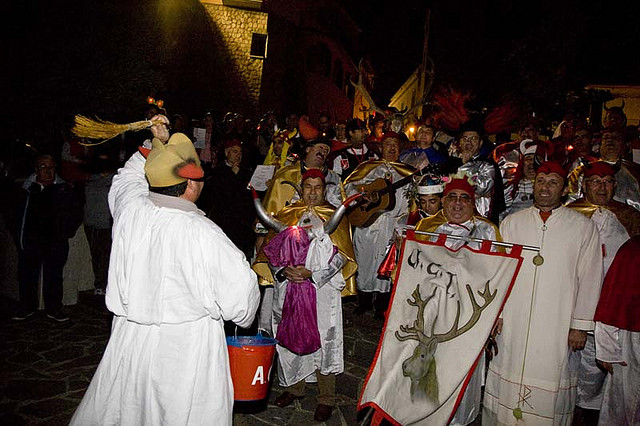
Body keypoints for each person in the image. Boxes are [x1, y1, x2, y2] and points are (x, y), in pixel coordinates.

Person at [70, 116, 260, 425]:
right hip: (186, 348)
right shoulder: (205, 234)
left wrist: (155, 144)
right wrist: (245, 314)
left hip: (132, 339)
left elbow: (127, 179)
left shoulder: (131, 210)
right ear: (191, 184)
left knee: (129, 412)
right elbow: (241, 300)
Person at [484, 161, 603, 425]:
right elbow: (498, 272)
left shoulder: (582, 227)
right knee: (509, 371)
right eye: (540, 181)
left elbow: (591, 277)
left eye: (553, 182)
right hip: (514, 318)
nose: (545, 188)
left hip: (558, 321)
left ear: (564, 189)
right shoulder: (512, 223)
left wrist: (580, 326)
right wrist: (497, 313)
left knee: (551, 376)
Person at [252, 169, 357, 422]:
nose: (312, 192)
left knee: (325, 339)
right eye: (308, 186)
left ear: (324, 189)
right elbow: (271, 251)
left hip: (322, 293)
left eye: (317, 187)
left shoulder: (334, 215)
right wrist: (284, 271)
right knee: (289, 335)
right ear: (301, 189)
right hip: (288, 289)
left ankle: (326, 397)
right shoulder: (287, 214)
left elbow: (343, 256)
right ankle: (294, 387)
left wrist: (313, 274)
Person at [413, 172, 502, 426]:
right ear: (443, 201)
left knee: (463, 368)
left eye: (465, 198)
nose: (458, 203)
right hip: (433, 313)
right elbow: (414, 271)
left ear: (473, 203)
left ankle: (460, 420)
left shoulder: (487, 230)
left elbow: (499, 274)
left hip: (469, 315)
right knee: (433, 368)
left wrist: (496, 314)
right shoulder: (428, 228)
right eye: (452, 197)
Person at [567, 160, 639, 420]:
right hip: (573, 301)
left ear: (615, 186)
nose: (602, 187)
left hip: (612, 306)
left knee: (604, 367)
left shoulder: (630, 217)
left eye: (607, 182)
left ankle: (592, 413)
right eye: (596, 182)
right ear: (584, 185)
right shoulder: (570, 214)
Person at [344, 132, 415, 318]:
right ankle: (364, 302)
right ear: (381, 147)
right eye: (388, 144)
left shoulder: (409, 173)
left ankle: (382, 306)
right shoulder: (367, 167)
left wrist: (403, 227)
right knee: (365, 261)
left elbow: (412, 204)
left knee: (387, 264)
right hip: (368, 223)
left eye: (395, 144)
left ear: (400, 148)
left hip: (393, 224)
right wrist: (362, 196)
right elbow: (349, 187)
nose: (391, 148)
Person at [11, 155, 82, 322]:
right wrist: (18, 234)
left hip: (55, 241)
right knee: (27, 276)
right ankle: (27, 308)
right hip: (31, 240)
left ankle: (54, 309)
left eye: (51, 167)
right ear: (36, 170)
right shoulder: (26, 190)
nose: (48, 171)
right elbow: (13, 213)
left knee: (54, 276)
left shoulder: (64, 190)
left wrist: (65, 231)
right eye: (43, 167)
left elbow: (76, 213)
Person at [593, 236, 640, 425]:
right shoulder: (634, 249)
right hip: (634, 337)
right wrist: (607, 347)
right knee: (627, 401)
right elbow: (613, 297)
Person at [199, 138, 257, 260]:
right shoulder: (217, 172)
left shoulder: (246, 171)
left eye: (240, 152)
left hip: (242, 221)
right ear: (227, 153)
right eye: (235, 152)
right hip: (225, 220)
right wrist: (233, 175)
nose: (238, 155)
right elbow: (222, 195)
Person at [447, 122, 505, 224]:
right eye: (465, 138)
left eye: (474, 138)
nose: (468, 142)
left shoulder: (488, 165)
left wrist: (465, 164)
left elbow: (481, 188)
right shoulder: (450, 164)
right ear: (459, 142)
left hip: (480, 218)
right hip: (453, 214)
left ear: (480, 143)